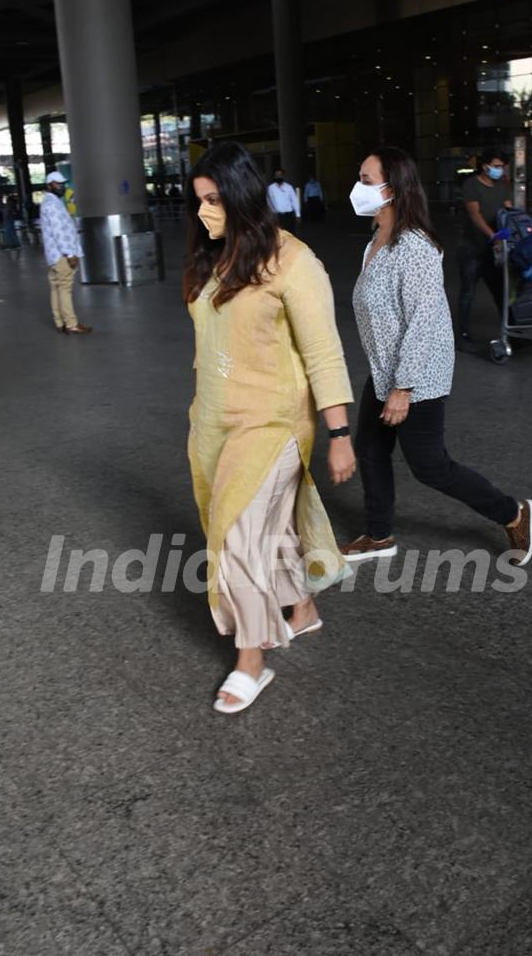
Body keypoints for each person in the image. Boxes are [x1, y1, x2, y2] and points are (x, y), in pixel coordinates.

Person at [184, 142, 356, 714]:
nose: (205, 211)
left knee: (236, 536)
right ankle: (301, 609)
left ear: (240, 195)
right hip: (214, 422)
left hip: (274, 422)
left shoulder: (295, 261)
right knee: (266, 529)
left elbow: (324, 353)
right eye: (199, 201)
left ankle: (251, 661)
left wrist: (339, 433)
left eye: (213, 199)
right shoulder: (217, 259)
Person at [339, 146, 532, 567]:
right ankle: (378, 536)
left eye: (367, 180)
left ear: (394, 190)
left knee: (430, 466)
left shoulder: (414, 248)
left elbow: (425, 322)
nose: (359, 188)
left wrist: (402, 388)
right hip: (385, 369)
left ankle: (513, 512)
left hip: (415, 376)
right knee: (371, 450)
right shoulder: (377, 240)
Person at [456, 151, 512, 353]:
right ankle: (462, 336)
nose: (500, 170)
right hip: (472, 247)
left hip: (494, 251)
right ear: (485, 166)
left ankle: (511, 330)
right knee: (468, 292)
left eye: (502, 166)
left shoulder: (502, 187)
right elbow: (475, 215)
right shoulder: (471, 185)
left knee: (501, 291)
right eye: (496, 165)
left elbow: (508, 212)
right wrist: (494, 236)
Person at [40, 172, 92, 335]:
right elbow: (59, 232)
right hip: (62, 255)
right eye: (57, 184)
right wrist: (70, 254)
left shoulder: (51, 202)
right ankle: (71, 324)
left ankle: (60, 322)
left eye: (62, 184)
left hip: (54, 255)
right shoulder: (52, 205)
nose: (61, 187)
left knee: (56, 287)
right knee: (65, 288)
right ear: (49, 185)